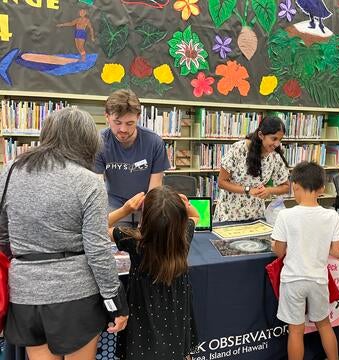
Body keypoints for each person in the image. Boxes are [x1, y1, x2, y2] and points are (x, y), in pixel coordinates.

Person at [0, 108, 128, 360]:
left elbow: (3, 237)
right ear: (87, 140)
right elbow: (97, 250)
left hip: (25, 293)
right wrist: (115, 301)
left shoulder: (10, 171)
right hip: (75, 296)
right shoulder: (89, 181)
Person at [108, 187, 200, 360]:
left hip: (143, 311)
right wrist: (186, 205)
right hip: (176, 310)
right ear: (180, 219)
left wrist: (125, 209)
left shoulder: (132, 240)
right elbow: (196, 216)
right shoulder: (183, 236)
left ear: (145, 218)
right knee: (177, 346)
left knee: (144, 347)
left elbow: (97, 228)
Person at [271, 161, 339, 360]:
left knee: (296, 331)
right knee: (324, 324)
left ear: (294, 185)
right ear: (321, 188)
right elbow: (338, 252)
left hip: (292, 280)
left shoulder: (285, 215)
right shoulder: (331, 216)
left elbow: (279, 251)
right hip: (318, 280)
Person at [95, 89, 171, 226]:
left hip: (146, 205)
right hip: (114, 207)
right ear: (106, 117)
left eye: (129, 123)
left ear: (138, 117)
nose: (123, 129)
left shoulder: (154, 142)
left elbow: (154, 190)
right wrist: (123, 212)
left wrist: (146, 221)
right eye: (117, 122)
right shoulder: (98, 142)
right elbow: (96, 189)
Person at [214, 116, 290, 222]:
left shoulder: (274, 156)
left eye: (280, 140)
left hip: (256, 216)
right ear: (261, 135)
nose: (277, 144)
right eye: (274, 139)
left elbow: (286, 187)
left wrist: (269, 190)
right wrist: (248, 190)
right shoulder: (238, 149)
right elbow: (222, 182)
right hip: (229, 214)